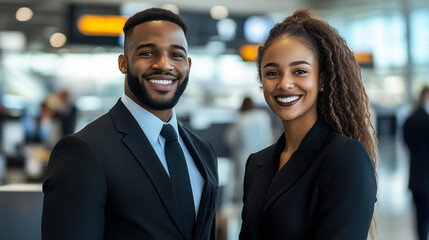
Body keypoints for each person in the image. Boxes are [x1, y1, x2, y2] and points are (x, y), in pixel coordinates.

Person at [42, 8, 218, 240]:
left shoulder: (203, 151)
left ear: (189, 65)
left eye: (176, 55)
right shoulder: (84, 151)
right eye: (147, 53)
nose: (164, 65)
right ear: (123, 63)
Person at [239, 9, 378, 240]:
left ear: (322, 79)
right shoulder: (257, 163)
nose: (285, 83)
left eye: (300, 71)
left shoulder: (345, 157)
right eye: (272, 73)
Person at [225, 96, 273, 201]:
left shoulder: (241, 119)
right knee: (262, 189)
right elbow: (269, 138)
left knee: (245, 191)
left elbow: (230, 140)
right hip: (265, 156)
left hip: (244, 158)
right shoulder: (263, 117)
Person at [403, 86, 429, 240]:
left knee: (420, 218)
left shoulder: (409, 120)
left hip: (415, 178)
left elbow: (405, 142)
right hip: (427, 179)